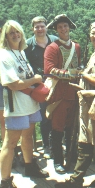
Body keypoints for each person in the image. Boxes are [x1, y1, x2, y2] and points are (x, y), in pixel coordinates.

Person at [55, 22, 95, 188]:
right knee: (86, 140)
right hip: (88, 104)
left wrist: (85, 76)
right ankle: (77, 179)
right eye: (92, 33)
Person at [0, 20, 49, 188]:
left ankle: (30, 166)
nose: (15, 35)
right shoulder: (4, 56)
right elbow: (12, 83)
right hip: (16, 106)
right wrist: (35, 80)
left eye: (17, 32)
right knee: (10, 144)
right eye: (11, 33)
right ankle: (5, 184)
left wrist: (33, 81)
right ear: (6, 36)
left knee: (28, 135)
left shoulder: (19, 52)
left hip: (29, 104)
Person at [44, 14, 81, 174]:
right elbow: (49, 70)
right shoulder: (52, 48)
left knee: (71, 127)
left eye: (65, 26)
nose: (63, 29)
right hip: (59, 94)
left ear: (69, 27)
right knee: (57, 128)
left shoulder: (77, 47)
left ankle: (71, 156)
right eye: (60, 27)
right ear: (56, 30)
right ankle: (58, 161)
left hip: (74, 93)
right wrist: (71, 73)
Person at [25, 16, 58, 159]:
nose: (40, 29)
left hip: (57, 84)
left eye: (42, 26)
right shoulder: (27, 45)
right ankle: (46, 146)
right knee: (44, 117)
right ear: (33, 29)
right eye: (37, 27)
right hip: (40, 87)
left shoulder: (55, 41)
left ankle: (57, 143)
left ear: (46, 27)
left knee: (57, 114)